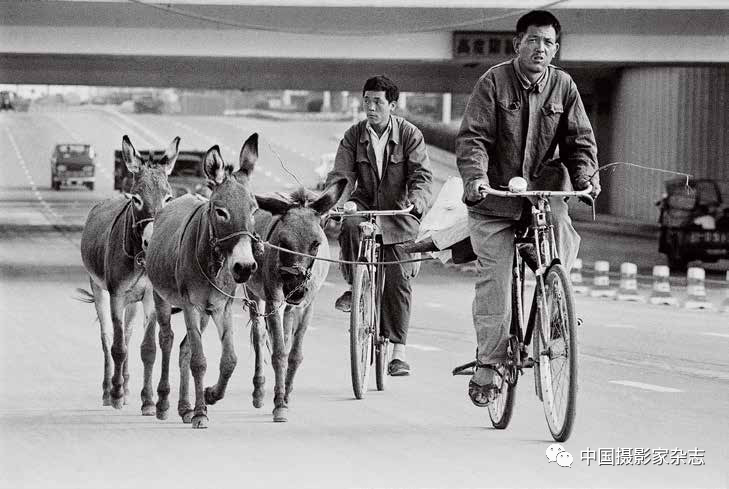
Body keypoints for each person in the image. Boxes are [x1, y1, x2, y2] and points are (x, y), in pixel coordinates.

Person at [455, 10, 600, 406]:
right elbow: (474, 140)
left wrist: (586, 178)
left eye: (549, 42)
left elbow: (580, 143)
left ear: (556, 49)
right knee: (495, 285)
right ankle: (489, 362)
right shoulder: (493, 82)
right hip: (495, 199)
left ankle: (556, 307)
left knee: (564, 234)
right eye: (533, 40)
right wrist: (476, 180)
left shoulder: (564, 86)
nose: (541, 48)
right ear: (518, 43)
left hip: (540, 195)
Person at [325, 75, 433, 376]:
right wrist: (336, 202)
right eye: (366, 101)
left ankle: (398, 351)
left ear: (392, 106)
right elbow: (341, 176)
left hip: (398, 212)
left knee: (398, 277)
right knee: (350, 225)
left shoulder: (411, 135)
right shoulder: (353, 135)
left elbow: (422, 177)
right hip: (364, 204)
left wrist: (417, 202)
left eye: (378, 102)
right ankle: (354, 284)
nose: (370, 108)